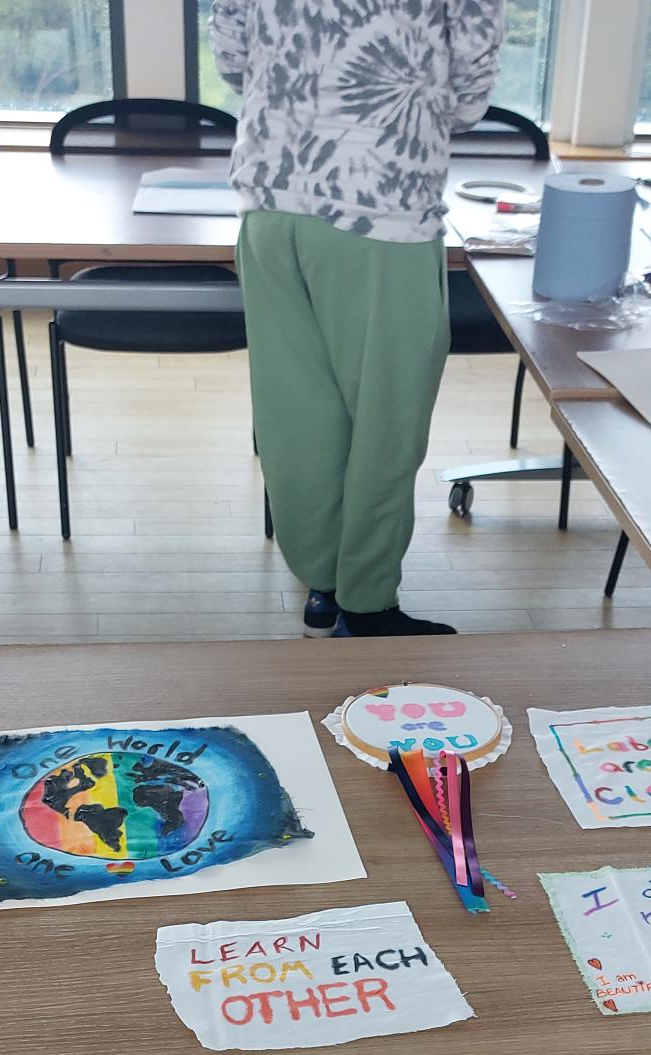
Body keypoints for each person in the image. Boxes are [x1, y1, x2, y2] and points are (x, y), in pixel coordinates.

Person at [211, 0, 506, 637]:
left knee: (299, 412)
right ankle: (367, 603)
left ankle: (323, 584)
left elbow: (234, 58)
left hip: (270, 197)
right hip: (382, 204)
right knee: (385, 417)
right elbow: (470, 87)